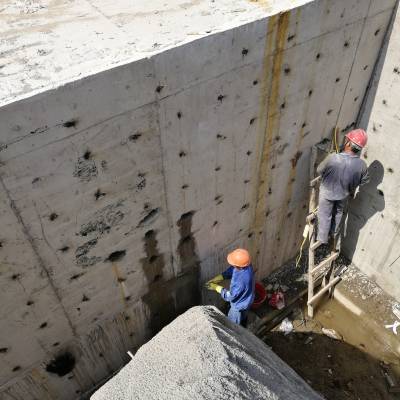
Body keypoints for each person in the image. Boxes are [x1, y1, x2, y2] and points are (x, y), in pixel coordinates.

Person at [316, 129, 369, 250]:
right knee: (338, 214)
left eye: (347, 140)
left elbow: (319, 170)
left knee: (325, 214)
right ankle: (333, 236)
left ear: (349, 143)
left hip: (327, 193)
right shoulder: (362, 165)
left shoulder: (333, 157)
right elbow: (364, 181)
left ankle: (322, 239)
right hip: (344, 194)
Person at [206, 248, 255, 326]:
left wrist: (216, 287)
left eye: (234, 264)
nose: (232, 265)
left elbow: (230, 296)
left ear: (238, 266)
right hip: (248, 300)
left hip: (238, 307)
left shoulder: (240, 282)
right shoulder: (247, 265)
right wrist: (220, 277)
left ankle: (238, 331)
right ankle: (243, 323)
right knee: (244, 316)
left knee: (233, 325)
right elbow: (232, 269)